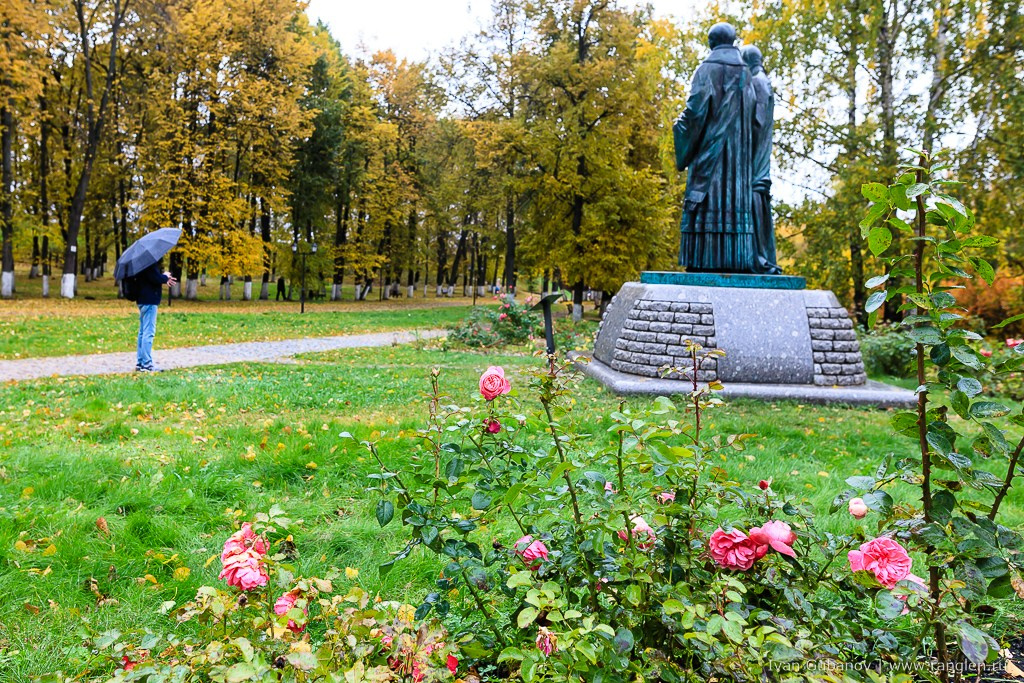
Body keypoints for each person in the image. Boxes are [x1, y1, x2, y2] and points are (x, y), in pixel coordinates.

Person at [673, 22, 757, 272]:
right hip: (739, 161)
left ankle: (704, 259)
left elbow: (696, 112)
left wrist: (679, 127)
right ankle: (735, 257)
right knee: (734, 206)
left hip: (711, 154)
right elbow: (755, 118)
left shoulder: (707, 69)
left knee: (708, 199)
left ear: (711, 43)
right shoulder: (747, 73)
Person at [742, 45, 782, 275]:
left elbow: (756, 122)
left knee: (754, 196)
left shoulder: (757, 81)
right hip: (759, 157)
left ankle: (759, 258)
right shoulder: (762, 79)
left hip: (755, 156)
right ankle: (761, 256)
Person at [134, 261, 176, 372]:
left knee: (142, 332)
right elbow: (154, 278)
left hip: (142, 300)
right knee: (148, 332)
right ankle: (147, 364)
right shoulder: (149, 263)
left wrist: (163, 278)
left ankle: (140, 362)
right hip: (150, 300)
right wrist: (165, 276)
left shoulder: (140, 263)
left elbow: (151, 278)